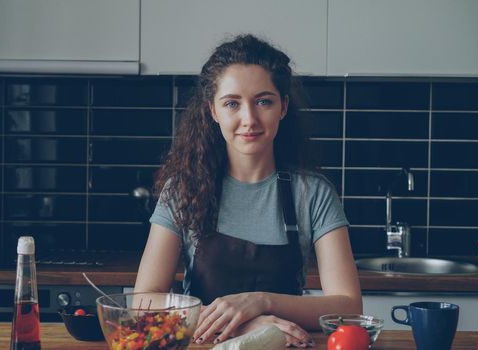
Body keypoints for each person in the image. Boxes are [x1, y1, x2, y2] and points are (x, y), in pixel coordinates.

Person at [134, 34, 362, 348]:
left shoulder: (314, 194)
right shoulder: (183, 189)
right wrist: (244, 324)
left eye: (263, 101)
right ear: (212, 110)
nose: (249, 119)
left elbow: (348, 306)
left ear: (283, 106)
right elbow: (143, 301)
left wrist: (260, 302)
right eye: (232, 103)